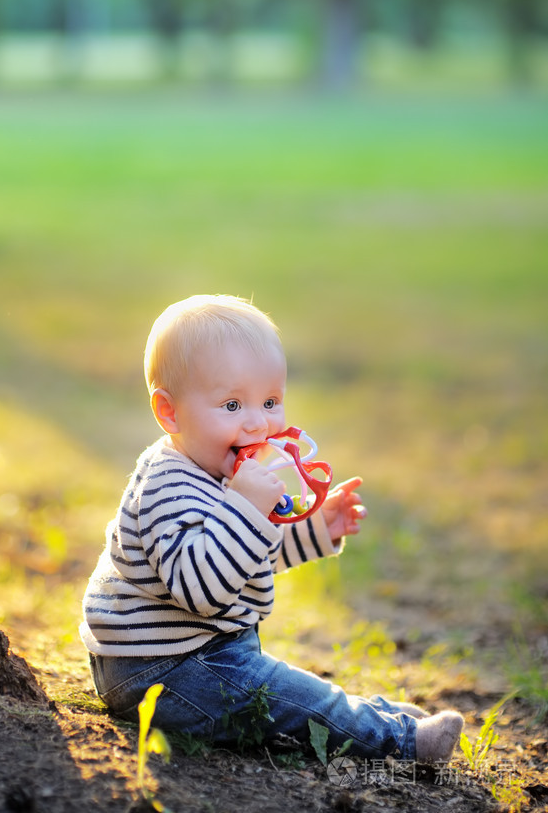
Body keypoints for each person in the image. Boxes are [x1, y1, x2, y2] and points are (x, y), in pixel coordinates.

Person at [81, 294, 463, 764]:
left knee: (292, 695)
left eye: (270, 401)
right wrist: (245, 507)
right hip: (162, 671)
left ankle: (378, 720)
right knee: (293, 699)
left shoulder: (218, 470)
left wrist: (318, 528)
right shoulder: (168, 485)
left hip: (195, 654)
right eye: (232, 404)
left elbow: (245, 558)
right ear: (170, 413)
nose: (258, 423)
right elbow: (201, 588)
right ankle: (402, 742)